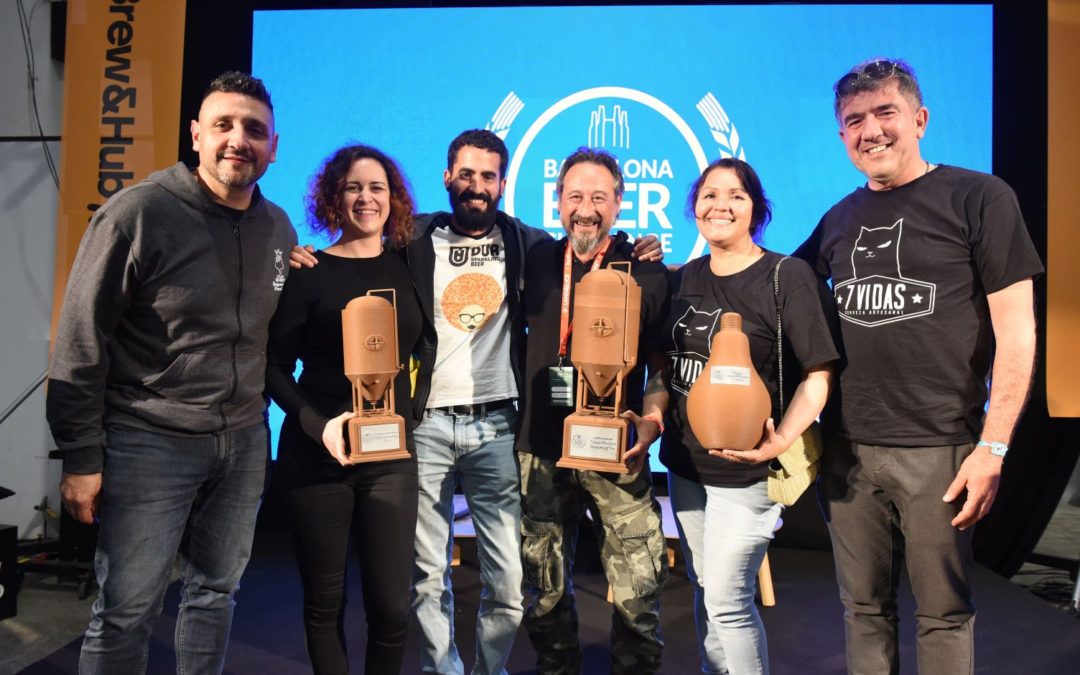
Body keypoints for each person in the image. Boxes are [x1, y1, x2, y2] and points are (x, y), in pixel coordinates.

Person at [795, 58, 1043, 675]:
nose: (871, 131)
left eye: (886, 113)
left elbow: (1018, 331)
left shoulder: (980, 197)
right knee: (863, 609)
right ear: (841, 134)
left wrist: (995, 447)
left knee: (943, 614)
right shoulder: (838, 218)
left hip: (941, 450)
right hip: (848, 451)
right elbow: (773, 288)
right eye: (855, 120)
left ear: (920, 119)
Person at [45, 72, 295, 674]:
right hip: (147, 441)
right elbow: (81, 342)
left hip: (242, 441)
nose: (239, 140)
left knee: (215, 594)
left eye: (254, 130)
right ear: (196, 134)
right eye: (223, 126)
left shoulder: (279, 229)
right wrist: (81, 457)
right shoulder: (137, 213)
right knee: (128, 608)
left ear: (274, 146)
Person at [642, 158, 839, 675]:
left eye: (735, 194)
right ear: (694, 208)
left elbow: (818, 374)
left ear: (756, 208)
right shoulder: (681, 280)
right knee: (709, 592)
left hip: (750, 468)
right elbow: (663, 370)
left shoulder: (785, 277)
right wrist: (652, 418)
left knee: (729, 601)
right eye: (708, 195)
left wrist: (782, 441)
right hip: (686, 468)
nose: (720, 205)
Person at [266, 145, 422, 675]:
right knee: (324, 604)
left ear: (394, 198)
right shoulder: (308, 270)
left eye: (377, 187)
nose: (366, 197)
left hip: (390, 457)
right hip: (317, 456)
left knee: (392, 608)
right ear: (335, 196)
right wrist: (316, 425)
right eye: (353, 187)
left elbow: (426, 346)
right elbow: (274, 367)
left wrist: (412, 414)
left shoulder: (409, 267)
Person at [516, 148, 670, 674]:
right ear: (557, 200)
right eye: (575, 196)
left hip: (617, 448)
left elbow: (660, 363)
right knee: (543, 582)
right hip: (540, 448)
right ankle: (556, 668)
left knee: (638, 582)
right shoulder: (535, 260)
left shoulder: (644, 267)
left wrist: (650, 424)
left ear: (619, 203)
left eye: (599, 197)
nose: (586, 208)